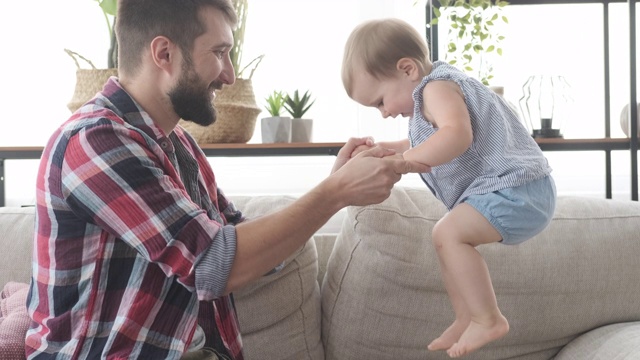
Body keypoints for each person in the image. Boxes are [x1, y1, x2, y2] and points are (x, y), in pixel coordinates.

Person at [24, 2, 429, 359]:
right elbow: (215, 265)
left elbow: (238, 240)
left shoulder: (176, 143)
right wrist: (334, 195)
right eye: (219, 53)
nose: (231, 76)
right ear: (164, 53)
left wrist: (334, 184)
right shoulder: (95, 141)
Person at [341, 18, 556, 358]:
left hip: (519, 189)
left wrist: (405, 162)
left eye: (380, 101)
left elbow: (456, 135)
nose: (383, 113)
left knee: (449, 233)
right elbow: (429, 137)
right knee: (445, 238)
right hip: (519, 189)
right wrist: (388, 150)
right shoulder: (433, 91)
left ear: (407, 69)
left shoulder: (435, 88)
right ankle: (466, 317)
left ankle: (488, 318)